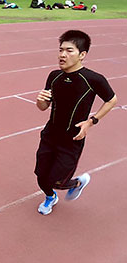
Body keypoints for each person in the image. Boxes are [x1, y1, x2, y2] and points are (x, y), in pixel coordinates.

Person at [35, 30, 117, 215]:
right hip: (50, 134)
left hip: (72, 138)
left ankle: (78, 182)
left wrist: (91, 121)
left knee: (58, 180)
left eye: (69, 50)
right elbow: (43, 106)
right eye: (61, 50)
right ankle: (50, 197)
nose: (62, 55)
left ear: (82, 55)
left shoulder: (93, 79)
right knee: (41, 177)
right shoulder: (53, 76)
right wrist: (40, 100)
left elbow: (112, 100)